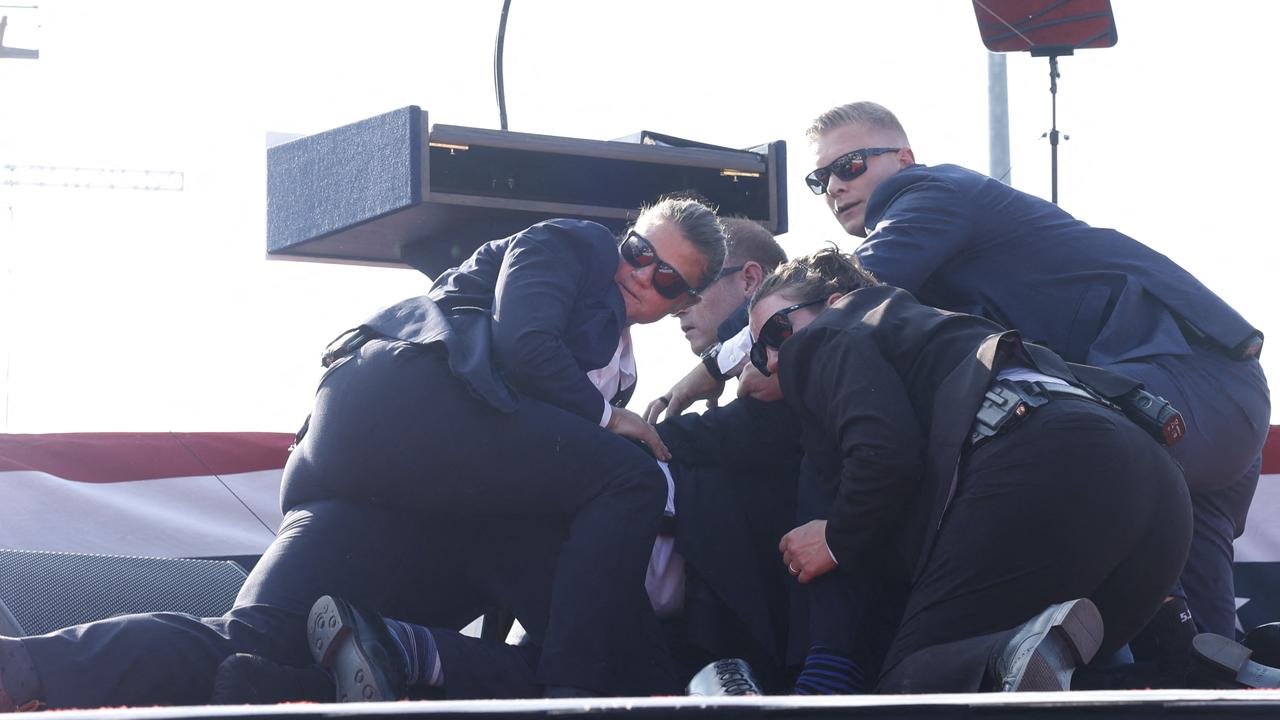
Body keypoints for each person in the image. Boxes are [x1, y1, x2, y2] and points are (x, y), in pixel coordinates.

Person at [0, 199, 726, 710]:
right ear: (623, 238)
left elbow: (532, 471)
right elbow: (526, 346)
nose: (640, 275)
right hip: (411, 415)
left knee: (257, 643)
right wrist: (610, 418)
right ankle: (571, 695)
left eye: (667, 280)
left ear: (683, 300)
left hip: (394, 483)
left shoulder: (620, 361)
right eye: (639, 252)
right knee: (627, 481)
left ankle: (23, 664)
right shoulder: (574, 244)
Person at [660, 100, 1270, 653]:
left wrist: (717, 364)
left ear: (904, 157)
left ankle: (864, 665)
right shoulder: (932, 261)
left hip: (1181, 384)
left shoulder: (930, 193)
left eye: (850, 165)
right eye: (821, 178)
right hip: (1212, 409)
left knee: (1041, 452)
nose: (835, 187)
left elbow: (835, 291)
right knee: (1206, 654)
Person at [752, 248, 1193, 692]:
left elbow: (883, 453)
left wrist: (835, 538)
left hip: (1049, 456)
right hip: (1159, 482)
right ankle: (1201, 675)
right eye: (757, 356)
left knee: (915, 684)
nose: (772, 360)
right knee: (1082, 684)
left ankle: (1006, 656)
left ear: (832, 300)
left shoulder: (830, 329)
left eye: (776, 331)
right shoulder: (937, 333)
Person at [638, 218, 801, 689]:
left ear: (750, 279)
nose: (677, 306)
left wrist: (639, 437)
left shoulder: (790, 350)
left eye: (695, 285)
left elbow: (758, 432)